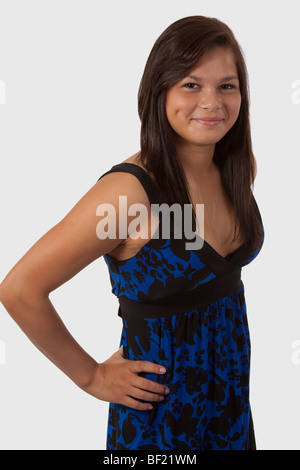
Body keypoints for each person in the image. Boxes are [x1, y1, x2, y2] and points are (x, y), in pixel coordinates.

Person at [0, 15, 264, 450]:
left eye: (227, 85)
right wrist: (90, 376)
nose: (212, 102)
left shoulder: (237, 171)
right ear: (159, 91)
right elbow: (20, 290)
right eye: (192, 85)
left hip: (232, 413)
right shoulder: (129, 193)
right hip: (159, 423)